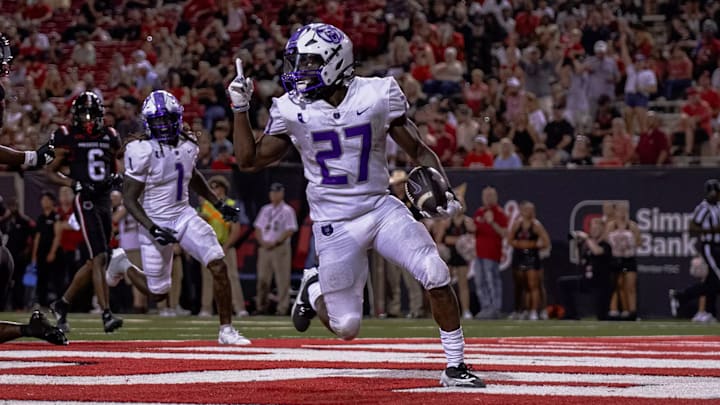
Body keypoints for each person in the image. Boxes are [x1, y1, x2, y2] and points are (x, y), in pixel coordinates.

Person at [229, 23, 484, 387]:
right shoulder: (291, 108)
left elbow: (417, 150)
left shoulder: (377, 94)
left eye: (310, 62)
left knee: (435, 270)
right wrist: (240, 109)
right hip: (334, 223)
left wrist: (440, 185)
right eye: (297, 62)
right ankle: (313, 287)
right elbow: (249, 160)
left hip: (379, 208)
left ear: (336, 62)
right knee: (346, 327)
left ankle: (456, 365)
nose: (300, 71)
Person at [110, 90, 250, 345]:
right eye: (158, 121)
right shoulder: (141, 150)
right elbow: (129, 199)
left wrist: (217, 203)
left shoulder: (188, 144)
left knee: (218, 263)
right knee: (158, 293)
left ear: (177, 118)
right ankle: (123, 265)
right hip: (153, 220)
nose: (163, 126)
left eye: (167, 120)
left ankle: (226, 330)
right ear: (148, 123)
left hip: (183, 215)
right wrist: (152, 228)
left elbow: (192, 175)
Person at [47, 91, 124, 334]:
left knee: (96, 260)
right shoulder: (67, 136)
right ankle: (106, 313)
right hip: (86, 199)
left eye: (92, 114)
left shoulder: (111, 135)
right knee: (99, 257)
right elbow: (50, 171)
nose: (89, 119)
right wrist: (73, 184)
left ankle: (61, 303)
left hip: (103, 199)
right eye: (84, 115)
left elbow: (116, 166)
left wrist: (115, 179)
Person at [669, 179, 720, 322]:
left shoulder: (718, 206)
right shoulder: (703, 208)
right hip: (710, 246)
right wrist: (710, 230)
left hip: (718, 246)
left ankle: (707, 311)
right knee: (717, 279)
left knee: (712, 282)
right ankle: (684, 296)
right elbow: (692, 228)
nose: (714, 196)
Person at [199, 175, 249, 317]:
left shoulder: (231, 205)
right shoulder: (205, 205)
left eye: (217, 188)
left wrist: (226, 246)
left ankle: (239, 307)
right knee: (208, 278)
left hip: (226, 245)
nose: (215, 191)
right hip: (208, 246)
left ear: (223, 189)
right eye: (212, 188)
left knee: (232, 277)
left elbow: (236, 229)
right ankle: (206, 308)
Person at [253, 183, 298, 315]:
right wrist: (262, 242)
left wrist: (277, 241)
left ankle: (282, 308)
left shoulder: (287, 210)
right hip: (265, 247)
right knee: (262, 279)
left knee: (282, 279)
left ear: (282, 194)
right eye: (272, 192)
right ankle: (261, 307)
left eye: (277, 192)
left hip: (280, 247)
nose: (274, 195)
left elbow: (290, 229)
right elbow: (258, 228)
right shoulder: (265, 209)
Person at [558, 218, 613, 320]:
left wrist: (587, 238)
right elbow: (581, 261)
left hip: (601, 284)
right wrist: (578, 245)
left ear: (602, 229)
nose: (594, 230)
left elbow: (597, 251)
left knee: (602, 317)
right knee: (563, 283)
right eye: (592, 228)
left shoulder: (606, 245)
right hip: (587, 280)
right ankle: (571, 315)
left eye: (597, 228)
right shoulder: (588, 245)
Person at [507, 201, 551, 321]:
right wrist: (521, 245)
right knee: (520, 286)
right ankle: (520, 310)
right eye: (527, 210)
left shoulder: (536, 225)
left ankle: (534, 311)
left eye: (532, 210)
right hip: (519, 256)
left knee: (534, 285)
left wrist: (531, 245)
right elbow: (509, 240)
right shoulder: (517, 225)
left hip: (532, 257)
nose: (530, 212)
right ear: (521, 211)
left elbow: (546, 242)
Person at [472, 186, 508, 319]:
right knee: (480, 282)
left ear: (495, 197)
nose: (487, 198)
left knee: (492, 281)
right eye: (485, 196)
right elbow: (475, 229)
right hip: (479, 253)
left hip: (492, 253)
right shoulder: (479, 212)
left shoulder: (499, 213)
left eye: (490, 196)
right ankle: (485, 307)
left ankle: (495, 308)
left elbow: (504, 233)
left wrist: (492, 222)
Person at [605, 202, 641, 320]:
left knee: (630, 286)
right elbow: (605, 241)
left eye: (624, 210)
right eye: (619, 210)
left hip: (628, 259)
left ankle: (632, 312)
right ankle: (615, 310)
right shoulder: (611, 226)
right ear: (615, 212)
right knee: (617, 285)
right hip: (615, 259)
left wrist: (629, 244)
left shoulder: (632, 226)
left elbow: (639, 242)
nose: (622, 213)